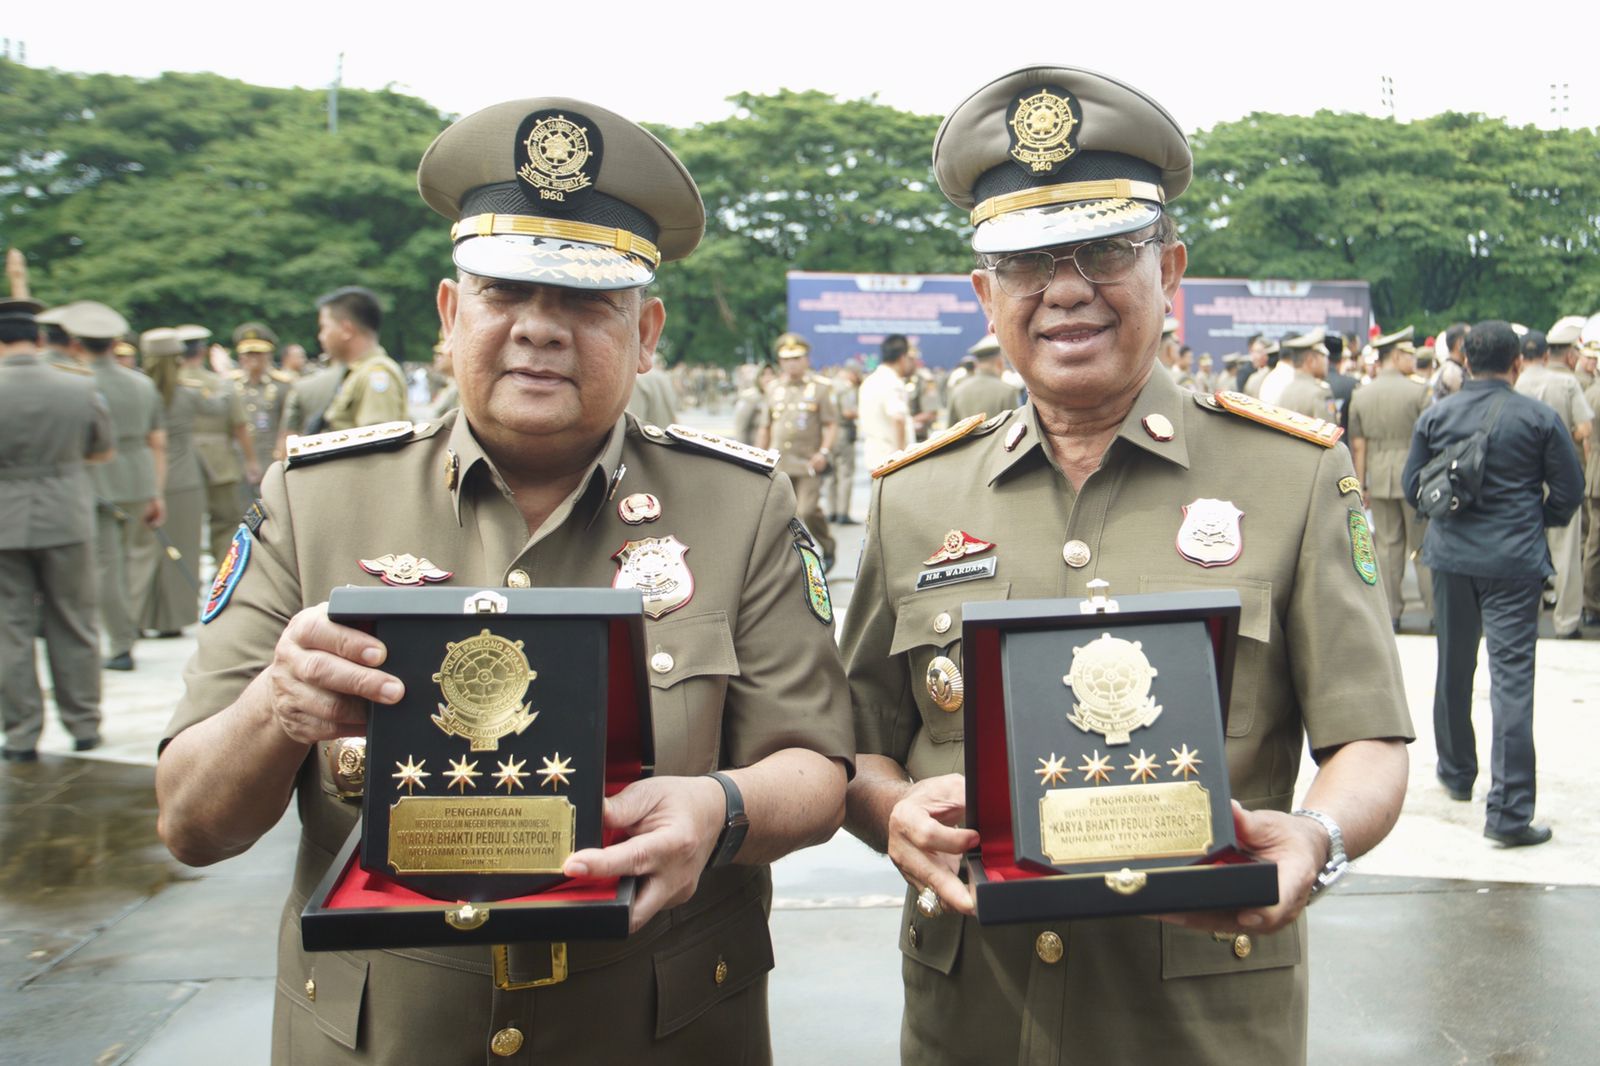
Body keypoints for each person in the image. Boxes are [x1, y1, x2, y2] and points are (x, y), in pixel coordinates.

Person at [155, 95, 852, 1065]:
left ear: (646, 332)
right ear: (450, 314)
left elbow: (815, 768)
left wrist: (719, 808)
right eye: (505, 292)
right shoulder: (316, 497)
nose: (539, 330)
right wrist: (277, 706)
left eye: (583, 300)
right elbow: (189, 821)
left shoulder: (740, 504)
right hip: (384, 1035)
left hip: (659, 1027)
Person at [842, 65, 1411, 1066]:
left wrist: (1316, 840)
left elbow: (1370, 739)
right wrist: (891, 811)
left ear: (1171, 272)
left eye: (1105, 249)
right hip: (973, 1012)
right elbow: (852, 746)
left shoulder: (1293, 476)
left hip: (1203, 1019)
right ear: (984, 294)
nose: (1066, 288)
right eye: (1024, 262)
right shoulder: (912, 496)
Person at [1404, 321, 1583, 844]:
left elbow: (1413, 487)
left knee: (1454, 669)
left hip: (1452, 558)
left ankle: (1457, 774)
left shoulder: (1437, 413)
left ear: (1465, 358)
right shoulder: (1539, 418)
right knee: (1511, 683)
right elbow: (1568, 492)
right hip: (1515, 564)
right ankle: (1508, 813)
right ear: (1518, 363)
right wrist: (1534, 519)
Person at [0, 298, 115, 760]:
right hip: (66, 511)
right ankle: (84, 722)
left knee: (9, 626)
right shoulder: (77, 386)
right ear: (42, 338)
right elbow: (102, 450)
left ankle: (22, 731)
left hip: (5, 517)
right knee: (75, 618)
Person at [1348, 327, 1433, 632]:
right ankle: (1434, 609)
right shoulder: (1420, 391)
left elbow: (1359, 445)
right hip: (1414, 473)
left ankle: (1391, 613)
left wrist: (1360, 483)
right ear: (1395, 356)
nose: (1412, 359)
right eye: (1408, 354)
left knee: (1386, 546)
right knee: (1421, 545)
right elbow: (1429, 438)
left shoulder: (1362, 393)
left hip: (1379, 474)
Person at [1514, 322, 1593, 639]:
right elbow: (1585, 429)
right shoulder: (1567, 383)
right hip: (1561, 472)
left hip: (1520, 474)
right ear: (1546, 355)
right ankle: (1566, 621)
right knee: (1566, 551)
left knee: (1524, 547)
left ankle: (1525, 617)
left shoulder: (1513, 383)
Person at [175, 324, 260, 567]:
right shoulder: (220, 383)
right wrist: (251, 461)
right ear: (202, 351)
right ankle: (222, 576)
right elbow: (240, 425)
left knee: (182, 525)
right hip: (221, 461)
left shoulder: (168, 386)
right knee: (225, 523)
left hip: (179, 462)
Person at [140, 329, 206, 637]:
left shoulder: (138, 391)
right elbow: (222, 408)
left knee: (141, 553)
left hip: (143, 478)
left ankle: (138, 616)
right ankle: (173, 617)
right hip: (182, 478)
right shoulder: (189, 394)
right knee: (181, 549)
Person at [756, 332, 837, 567]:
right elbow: (765, 426)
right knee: (782, 515)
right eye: (787, 359)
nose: (792, 363)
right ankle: (798, 560)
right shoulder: (772, 388)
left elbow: (831, 424)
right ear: (780, 362)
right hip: (779, 463)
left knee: (808, 510)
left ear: (807, 360)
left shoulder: (820, 388)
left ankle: (828, 545)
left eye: (797, 358)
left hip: (808, 463)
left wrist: (824, 452)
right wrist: (758, 456)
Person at [315, 286, 408, 432]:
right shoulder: (358, 372)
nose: (321, 336)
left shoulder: (376, 374)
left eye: (324, 327)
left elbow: (378, 443)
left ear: (346, 330)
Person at [229, 322, 291, 501]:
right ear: (240, 356)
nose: (253, 358)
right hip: (237, 461)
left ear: (268, 355)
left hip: (272, 459)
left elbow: (288, 426)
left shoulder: (282, 385)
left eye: (258, 353)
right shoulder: (230, 385)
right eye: (248, 353)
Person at [858, 334, 917, 469]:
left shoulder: (870, 380)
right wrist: (901, 459)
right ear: (903, 358)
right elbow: (898, 418)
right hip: (891, 463)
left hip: (876, 458)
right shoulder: (891, 382)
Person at [945, 333, 1018, 425]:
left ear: (976, 364)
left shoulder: (957, 390)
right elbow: (1015, 429)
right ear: (999, 363)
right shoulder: (1007, 391)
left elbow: (950, 431)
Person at [1274, 328, 1338, 421]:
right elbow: (1329, 432)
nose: (1326, 362)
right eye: (1323, 356)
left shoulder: (1285, 392)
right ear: (1311, 360)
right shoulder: (1320, 393)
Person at [828, 362, 862, 524]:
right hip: (843, 431)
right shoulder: (846, 388)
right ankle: (843, 513)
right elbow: (848, 412)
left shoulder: (829, 385)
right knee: (845, 473)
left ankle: (831, 511)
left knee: (831, 474)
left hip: (828, 433)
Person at [625, 351, 677, 427]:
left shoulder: (639, 378)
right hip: (667, 434)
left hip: (648, 435)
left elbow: (636, 419)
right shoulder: (666, 377)